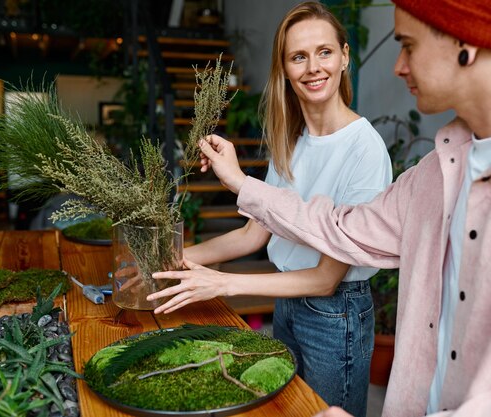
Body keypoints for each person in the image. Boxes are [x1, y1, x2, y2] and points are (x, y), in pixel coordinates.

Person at [192, 1, 491, 416]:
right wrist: (240, 183)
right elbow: (340, 229)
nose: (399, 66)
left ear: (466, 42)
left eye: (408, 45)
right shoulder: (434, 174)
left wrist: (225, 281)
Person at [148, 3, 392, 416]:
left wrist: (224, 285)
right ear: (285, 68)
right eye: (299, 56)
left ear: (345, 56)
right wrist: (173, 259)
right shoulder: (292, 140)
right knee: (287, 409)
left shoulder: (363, 149)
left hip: (336, 316)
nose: (313, 67)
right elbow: (254, 234)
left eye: (324, 52)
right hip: (287, 301)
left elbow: (323, 280)